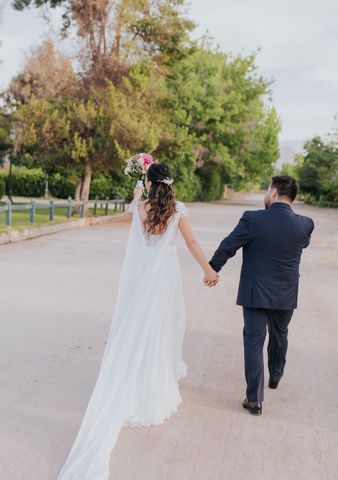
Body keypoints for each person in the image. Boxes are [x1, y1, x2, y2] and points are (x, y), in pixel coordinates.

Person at [57, 162, 218, 480]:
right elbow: (193, 244)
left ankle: (130, 385)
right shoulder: (179, 210)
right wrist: (208, 270)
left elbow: (138, 235)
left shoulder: (139, 207)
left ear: (149, 182)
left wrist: (139, 188)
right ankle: (152, 387)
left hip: (141, 277)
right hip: (164, 279)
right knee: (158, 331)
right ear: (170, 184)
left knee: (136, 330)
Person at [208, 175, 314, 416]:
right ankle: (275, 373)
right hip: (286, 293)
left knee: (254, 341)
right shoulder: (305, 224)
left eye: (268, 191)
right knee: (280, 333)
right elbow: (302, 244)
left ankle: (254, 399)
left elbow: (229, 245)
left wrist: (213, 268)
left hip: (255, 291)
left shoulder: (253, 219)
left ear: (274, 193)